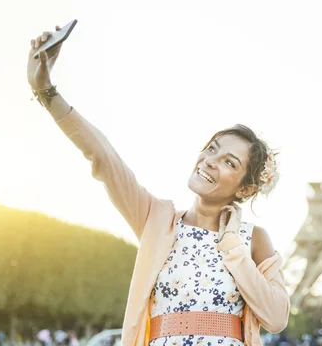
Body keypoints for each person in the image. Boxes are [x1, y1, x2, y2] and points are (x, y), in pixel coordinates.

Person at [26, 27, 290, 346]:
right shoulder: (156, 219)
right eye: (211, 148)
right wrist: (46, 91)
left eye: (229, 162)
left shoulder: (252, 240)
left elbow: (276, 318)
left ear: (246, 189)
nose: (210, 160)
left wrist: (232, 245)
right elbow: (104, 157)